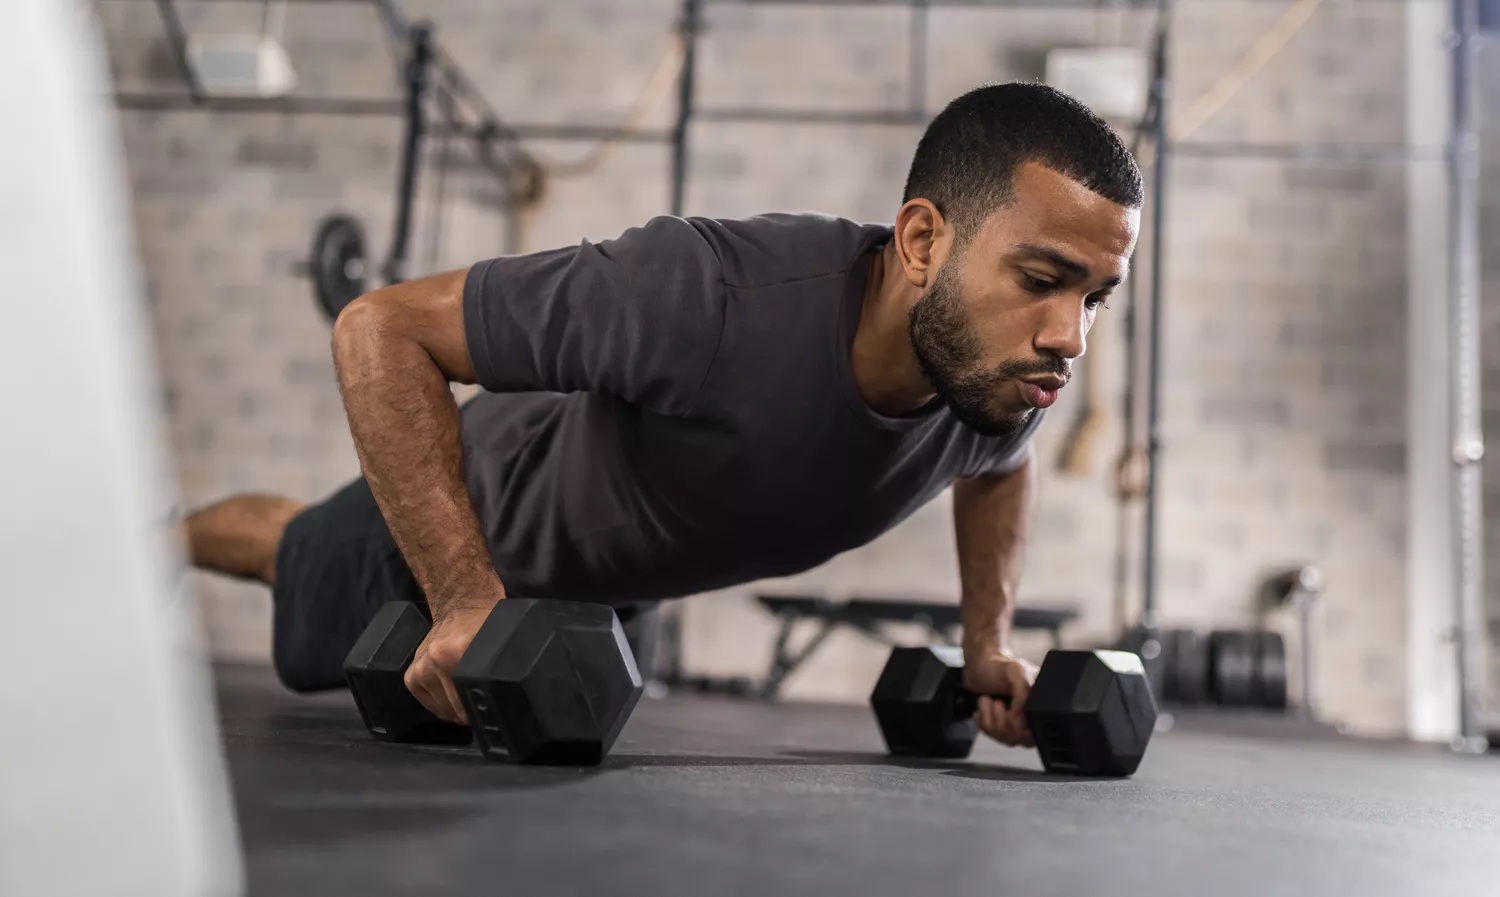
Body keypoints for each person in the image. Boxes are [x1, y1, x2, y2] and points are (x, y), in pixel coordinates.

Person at [185, 81, 1142, 750]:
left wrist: (987, 641)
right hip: (472, 530)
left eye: (1097, 296)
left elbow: (999, 468)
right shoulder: (708, 293)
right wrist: (467, 597)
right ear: (924, 238)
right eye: (1042, 279)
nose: (1072, 334)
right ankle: (153, 538)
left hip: (607, 602)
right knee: (292, 551)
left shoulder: (1000, 380)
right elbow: (379, 327)